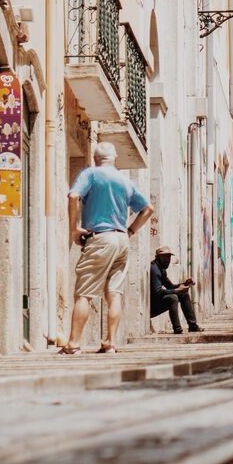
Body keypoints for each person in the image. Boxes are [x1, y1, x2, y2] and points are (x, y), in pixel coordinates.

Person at [64, 142, 153, 354]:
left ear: (95, 158)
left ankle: (73, 344)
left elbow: (73, 196)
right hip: (121, 240)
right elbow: (148, 209)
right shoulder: (125, 181)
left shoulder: (90, 174)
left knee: (84, 293)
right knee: (114, 293)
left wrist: (74, 229)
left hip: (100, 239)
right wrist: (130, 231)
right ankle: (111, 342)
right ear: (114, 159)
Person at [150, 246, 202, 334]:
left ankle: (193, 326)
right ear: (157, 257)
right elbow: (158, 292)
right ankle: (177, 329)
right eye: (164, 257)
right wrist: (177, 290)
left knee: (183, 294)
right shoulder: (154, 269)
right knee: (173, 298)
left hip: (157, 302)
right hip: (151, 308)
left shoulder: (161, 269)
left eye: (169, 257)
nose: (167, 260)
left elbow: (170, 287)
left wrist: (185, 284)